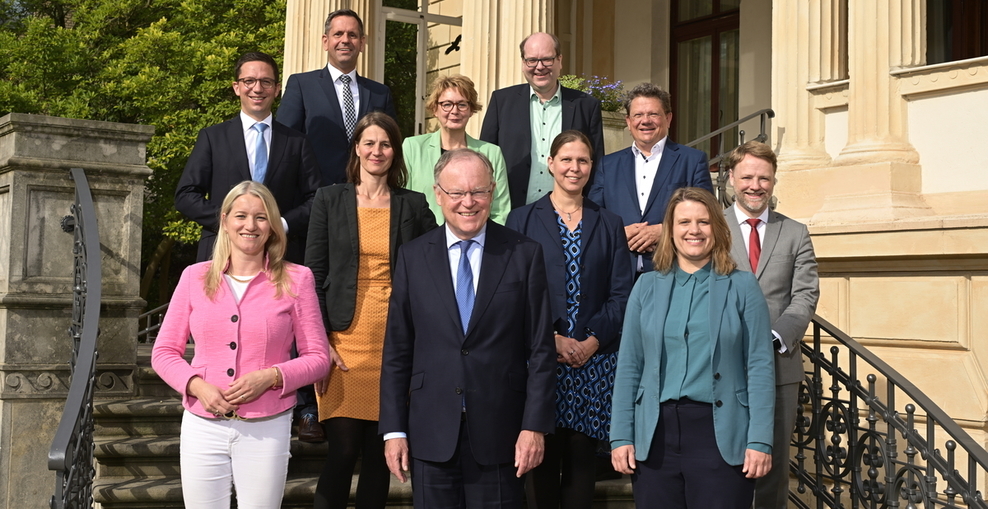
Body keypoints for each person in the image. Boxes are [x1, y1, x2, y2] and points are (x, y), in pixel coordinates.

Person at [379, 149, 557, 508]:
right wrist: (394, 430)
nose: (468, 202)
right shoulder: (412, 257)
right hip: (431, 433)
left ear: (492, 192)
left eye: (478, 191)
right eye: (457, 193)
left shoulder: (523, 253)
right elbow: (398, 350)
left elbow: (541, 350)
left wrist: (534, 426)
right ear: (438, 194)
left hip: (502, 434)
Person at [152, 181, 331, 509]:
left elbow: (319, 358)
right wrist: (197, 386)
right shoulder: (194, 277)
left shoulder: (298, 279)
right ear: (224, 220)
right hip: (202, 426)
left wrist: (271, 377)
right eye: (242, 216)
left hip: (267, 426)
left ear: (273, 226)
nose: (251, 225)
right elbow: (163, 352)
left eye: (261, 217)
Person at [610, 187, 775, 509]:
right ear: (670, 230)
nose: (694, 230)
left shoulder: (743, 286)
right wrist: (621, 436)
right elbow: (629, 365)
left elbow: (759, 366)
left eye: (703, 221)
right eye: (684, 221)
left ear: (717, 228)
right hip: (655, 436)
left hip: (721, 434)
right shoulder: (645, 286)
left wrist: (760, 439)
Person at [305, 112, 437, 509]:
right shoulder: (329, 199)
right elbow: (313, 274)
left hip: (395, 341)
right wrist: (319, 341)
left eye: (385, 144)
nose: (376, 151)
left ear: (395, 151)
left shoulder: (413, 204)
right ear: (357, 149)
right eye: (369, 143)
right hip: (342, 340)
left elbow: (437, 262)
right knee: (343, 451)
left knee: (382, 457)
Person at [505, 131, 632, 509]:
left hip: (594, 361)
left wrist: (592, 340)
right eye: (567, 159)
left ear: (592, 167)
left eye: (583, 161)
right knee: (539, 461)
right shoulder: (522, 220)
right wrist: (551, 339)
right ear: (551, 162)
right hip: (540, 359)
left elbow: (622, 294)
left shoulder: (609, 223)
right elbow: (511, 295)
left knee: (581, 465)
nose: (574, 168)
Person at [724, 141, 819, 509]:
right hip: (720, 364)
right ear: (732, 178)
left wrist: (776, 335)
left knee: (773, 466)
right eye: (747, 176)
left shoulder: (795, 232)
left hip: (779, 367)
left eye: (764, 178)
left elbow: (805, 294)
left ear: (774, 181)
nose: (755, 185)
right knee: (722, 460)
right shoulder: (710, 226)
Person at [175, 51, 320, 264]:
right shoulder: (212, 137)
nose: (258, 88)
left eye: (266, 82)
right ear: (237, 87)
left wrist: (282, 224)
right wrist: (231, 222)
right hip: (220, 251)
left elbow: (316, 197)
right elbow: (185, 195)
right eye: (249, 81)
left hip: (280, 254)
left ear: (277, 89)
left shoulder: (297, 142)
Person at [588, 83, 713, 276]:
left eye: (653, 114)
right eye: (638, 115)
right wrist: (619, 234)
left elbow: (708, 215)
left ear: (668, 118)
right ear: (628, 122)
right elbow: (593, 218)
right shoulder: (608, 164)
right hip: (619, 277)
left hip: (673, 272)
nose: (645, 121)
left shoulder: (692, 160)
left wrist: (665, 230)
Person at [480, 32, 604, 208]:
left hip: (568, 216)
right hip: (511, 213)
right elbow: (486, 159)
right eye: (532, 60)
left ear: (560, 60)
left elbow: (597, 164)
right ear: (523, 63)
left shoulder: (586, 106)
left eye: (547, 59)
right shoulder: (502, 101)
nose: (539, 67)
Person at [278, 9, 397, 186]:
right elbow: (285, 143)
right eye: (338, 34)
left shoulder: (380, 93)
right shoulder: (302, 85)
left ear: (362, 43)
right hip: (315, 196)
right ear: (326, 41)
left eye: (352, 35)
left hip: (367, 194)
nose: (345, 40)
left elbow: (392, 144)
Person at [403, 74, 511, 224]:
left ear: (471, 110)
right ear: (435, 109)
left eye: (462, 104)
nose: (454, 111)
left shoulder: (492, 153)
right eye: (447, 104)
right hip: (423, 242)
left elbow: (500, 212)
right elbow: (402, 203)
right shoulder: (413, 148)